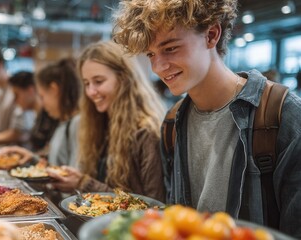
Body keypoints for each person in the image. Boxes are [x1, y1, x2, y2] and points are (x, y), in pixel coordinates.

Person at [113, 0, 301, 236]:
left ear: (211, 35)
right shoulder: (173, 123)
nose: (158, 67)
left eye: (170, 48)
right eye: (151, 54)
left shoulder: (282, 115)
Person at [48, 41, 167, 201]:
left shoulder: (146, 132)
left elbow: (154, 204)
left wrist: (83, 183)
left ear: (124, 79)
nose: (91, 92)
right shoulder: (99, 123)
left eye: (98, 81)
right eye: (86, 83)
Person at [2, 58, 81, 168]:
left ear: (54, 89)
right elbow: (55, 164)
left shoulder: (76, 123)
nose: (42, 105)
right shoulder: (64, 122)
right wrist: (32, 158)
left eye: (42, 96)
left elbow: (71, 175)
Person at [8, 71, 59, 152]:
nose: (15, 101)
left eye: (16, 95)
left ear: (30, 90)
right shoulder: (38, 114)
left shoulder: (51, 115)